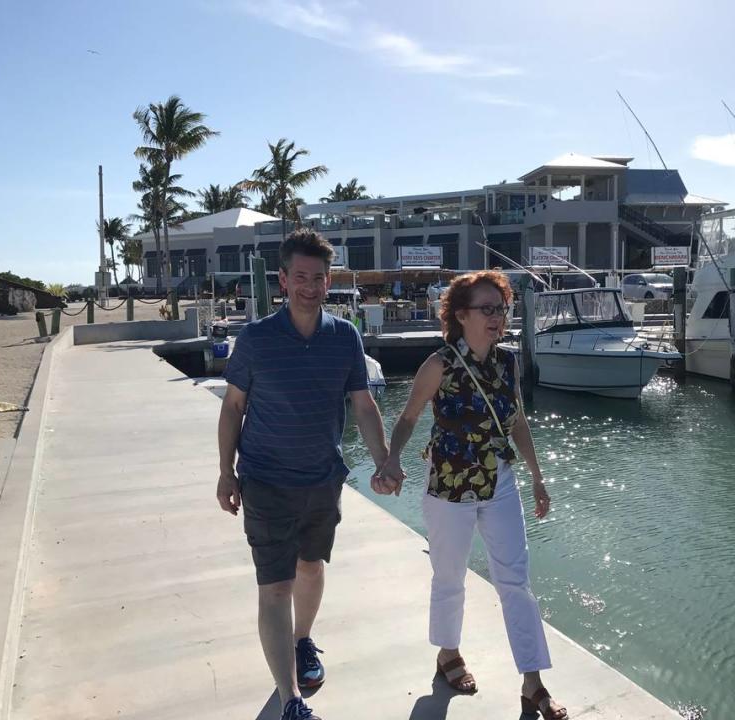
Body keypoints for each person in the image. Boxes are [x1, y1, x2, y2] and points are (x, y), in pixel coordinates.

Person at [217, 230, 402, 720]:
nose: (310, 286)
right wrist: (224, 472)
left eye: (318, 278)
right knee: (275, 586)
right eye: (300, 276)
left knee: (311, 568)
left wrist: (383, 459)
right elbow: (233, 408)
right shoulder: (255, 339)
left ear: (328, 281)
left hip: (322, 479)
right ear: (282, 279)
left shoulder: (345, 337)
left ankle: (303, 640)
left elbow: (363, 407)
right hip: (265, 481)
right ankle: (290, 701)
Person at [376, 270, 568, 719]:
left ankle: (533, 683)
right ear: (461, 315)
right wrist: (392, 459)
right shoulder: (439, 364)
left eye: (501, 308)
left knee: (516, 583)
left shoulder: (508, 364)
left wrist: (537, 477)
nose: (497, 317)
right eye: (487, 309)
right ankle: (448, 654)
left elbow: (516, 421)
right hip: (448, 484)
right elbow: (407, 418)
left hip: (498, 482)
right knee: (449, 577)